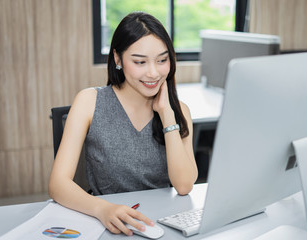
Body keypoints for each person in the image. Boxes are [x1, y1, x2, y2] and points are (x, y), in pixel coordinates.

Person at [48, 12, 198, 236]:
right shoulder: (89, 101)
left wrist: (167, 114)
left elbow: (184, 186)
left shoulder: (179, 110)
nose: (153, 72)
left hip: (161, 224)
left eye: (162, 60)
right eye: (140, 62)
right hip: (107, 222)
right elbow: (57, 184)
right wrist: (103, 209)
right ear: (118, 59)